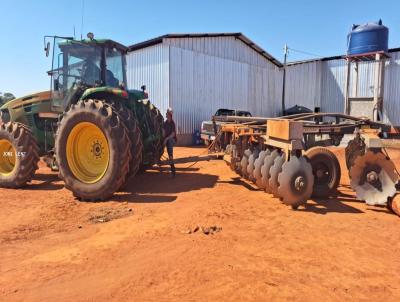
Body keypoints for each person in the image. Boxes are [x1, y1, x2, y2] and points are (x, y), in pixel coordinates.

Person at [163, 108, 177, 176]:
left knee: (169, 141)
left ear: (169, 115)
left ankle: (172, 168)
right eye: (166, 114)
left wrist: (166, 139)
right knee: (167, 142)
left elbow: (173, 134)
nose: (166, 114)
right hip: (167, 140)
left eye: (167, 114)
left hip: (172, 140)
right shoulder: (165, 123)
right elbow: (163, 132)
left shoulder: (172, 123)